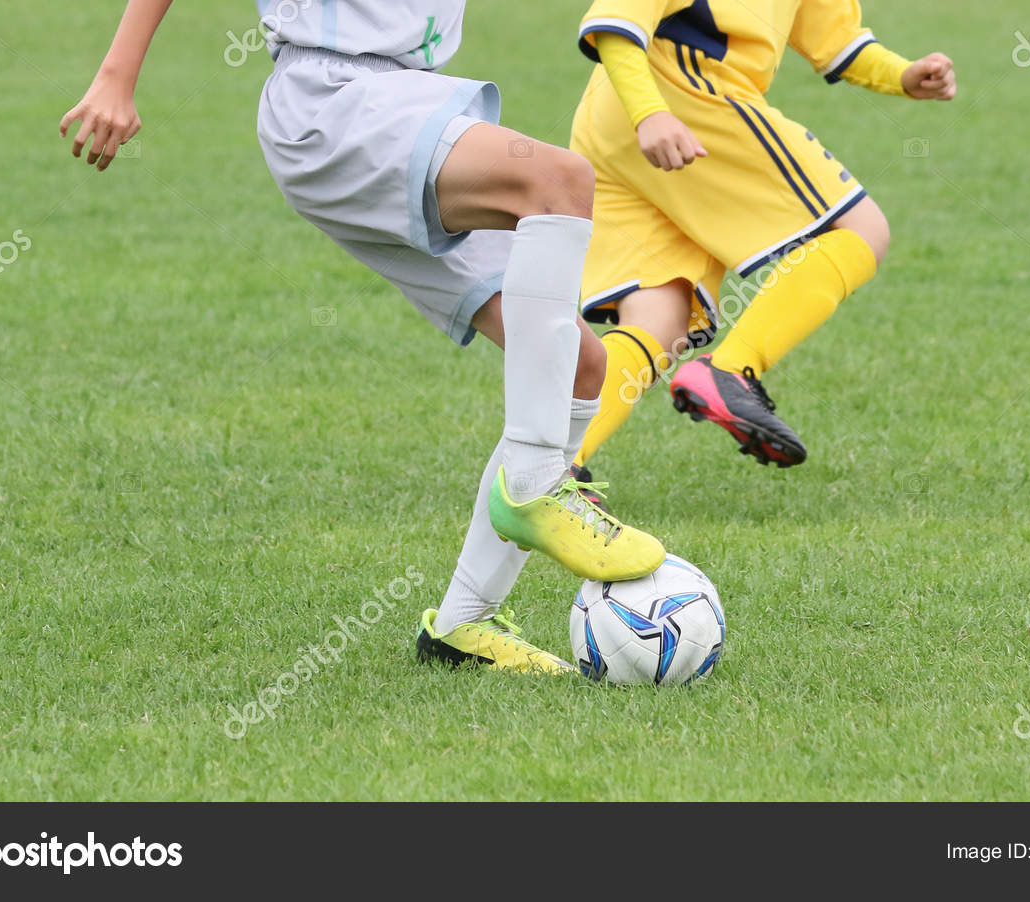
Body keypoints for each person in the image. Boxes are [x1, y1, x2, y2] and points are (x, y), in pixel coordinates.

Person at [58, 0, 665, 673]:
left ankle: (462, 627)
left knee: (580, 366)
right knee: (559, 180)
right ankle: (533, 483)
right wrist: (116, 77)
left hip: (400, 100)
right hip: (333, 102)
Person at [566, 0, 955, 475]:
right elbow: (617, 22)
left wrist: (902, 74)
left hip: (619, 120)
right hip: (683, 95)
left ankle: (553, 465)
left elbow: (837, 41)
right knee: (861, 229)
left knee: (658, 315)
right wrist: (651, 114)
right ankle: (728, 371)